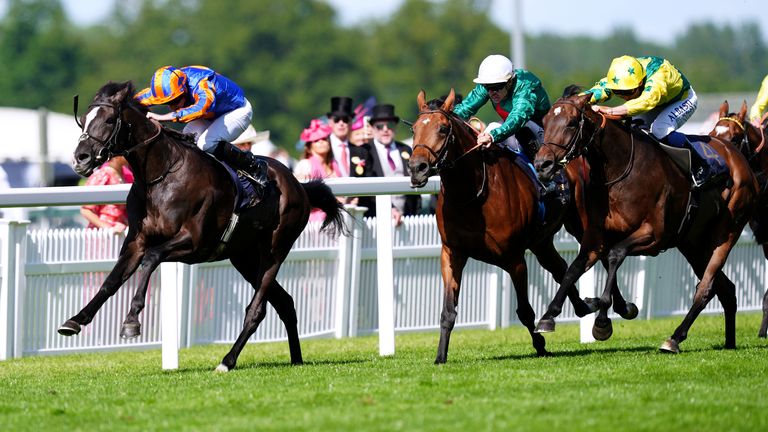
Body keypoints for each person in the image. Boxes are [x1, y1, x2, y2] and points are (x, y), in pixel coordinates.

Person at [583, 55, 710, 186]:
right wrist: (571, 102)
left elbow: (648, 101)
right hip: (655, 103)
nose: (625, 97)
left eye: (628, 92)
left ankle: (701, 165)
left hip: (681, 100)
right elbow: (596, 91)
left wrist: (610, 111)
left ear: (641, 82)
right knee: (633, 131)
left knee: (659, 129)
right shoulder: (621, 77)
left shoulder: (658, 76)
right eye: (618, 92)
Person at [135, 65, 268, 191]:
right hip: (211, 115)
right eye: (167, 103)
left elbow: (200, 109)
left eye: (175, 101)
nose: (172, 107)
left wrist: (162, 117)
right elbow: (138, 99)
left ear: (184, 90)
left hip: (237, 111)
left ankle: (254, 166)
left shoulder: (201, 84)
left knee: (206, 143)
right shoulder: (172, 86)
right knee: (184, 142)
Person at [453, 54, 549, 162]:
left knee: (518, 131)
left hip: (543, 131)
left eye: (496, 87)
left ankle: (545, 172)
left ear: (509, 82)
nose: (491, 92)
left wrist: (493, 135)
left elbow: (518, 118)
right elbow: (465, 108)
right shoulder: (490, 85)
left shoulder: (524, 85)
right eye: (487, 87)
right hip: (512, 127)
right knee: (490, 130)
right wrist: (446, 118)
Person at [363, 104, 421, 224]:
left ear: (395, 127)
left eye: (389, 125)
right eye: (380, 126)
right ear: (372, 128)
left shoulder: (405, 149)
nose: (385, 129)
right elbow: (368, 184)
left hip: (409, 217)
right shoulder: (365, 151)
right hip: (376, 218)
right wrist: (389, 208)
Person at [293, 119, 344, 222]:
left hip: (335, 215)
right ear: (309, 147)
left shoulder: (335, 164)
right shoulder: (305, 164)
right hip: (313, 220)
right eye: (316, 140)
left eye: (324, 139)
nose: (321, 142)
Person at [80, 156, 133, 233]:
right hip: (102, 234)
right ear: (115, 156)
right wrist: (108, 228)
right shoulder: (102, 175)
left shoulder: (125, 175)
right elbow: (86, 210)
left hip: (120, 231)